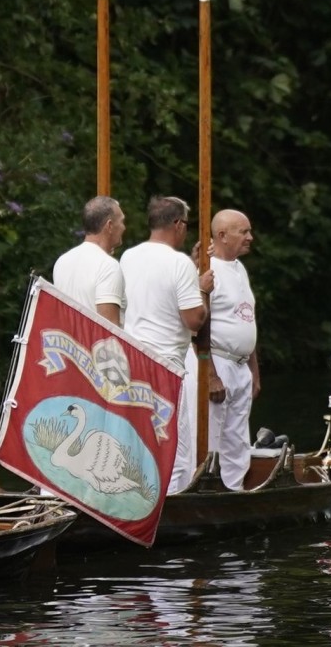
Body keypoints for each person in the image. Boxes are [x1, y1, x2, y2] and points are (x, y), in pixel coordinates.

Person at [121, 196, 215, 494]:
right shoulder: (179, 264)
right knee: (177, 449)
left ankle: (136, 500)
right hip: (165, 366)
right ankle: (169, 510)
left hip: (132, 361)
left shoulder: (128, 257)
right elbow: (194, 320)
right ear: (177, 224)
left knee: (139, 439)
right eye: (186, 225)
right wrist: (202, 290)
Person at [206, 209, 260, 491]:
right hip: (219, 361)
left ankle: (234, 491)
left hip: (241, 366)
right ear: (222, 236)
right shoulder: (207, 272)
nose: (250, 237)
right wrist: (210, 375)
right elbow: (198, 328)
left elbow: (247, 318)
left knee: (238, 438)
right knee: (213, 433)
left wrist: (255, 371)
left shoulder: (239, 269)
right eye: (244, 231)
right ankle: (210, 492)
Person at [52, 195, 126, 326]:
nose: (124, 228)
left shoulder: (62, 261)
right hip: (94, 346)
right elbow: (109, 331)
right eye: (121, 222)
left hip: (66, 345)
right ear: (109, 226)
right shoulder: (108, 266)